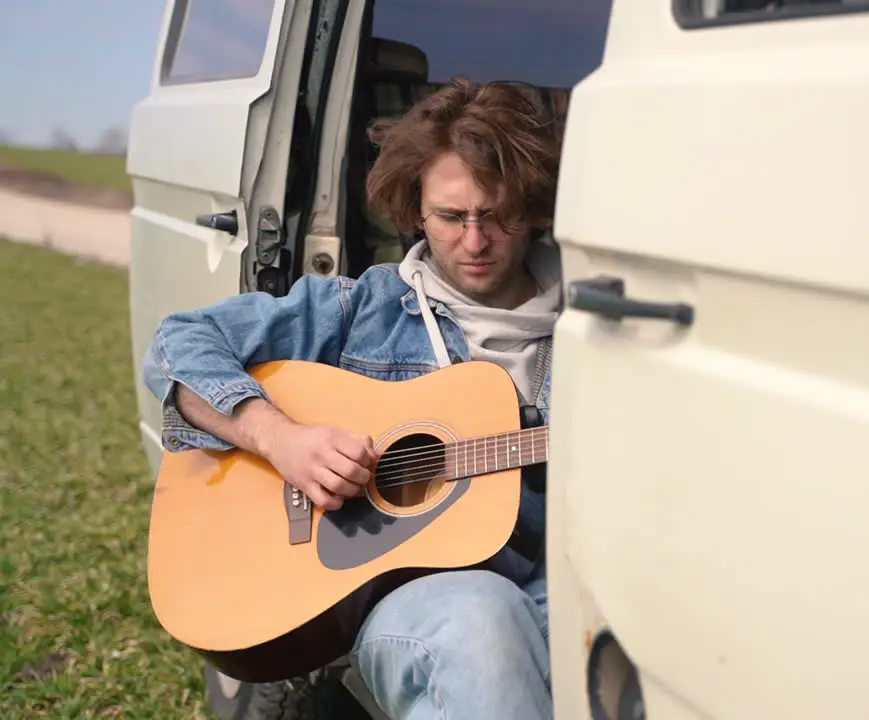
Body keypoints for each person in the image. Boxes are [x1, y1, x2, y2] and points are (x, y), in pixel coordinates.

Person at [140, 77, 563, 720]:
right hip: (424, 604)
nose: (475, 242)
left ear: (531, 209)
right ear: (416, 210)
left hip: (561, 582)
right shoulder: (360, 307)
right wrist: (279, 438)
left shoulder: (596, 329)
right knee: (481, 618)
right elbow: (180, 344)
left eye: (497, 215)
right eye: (451, 216)